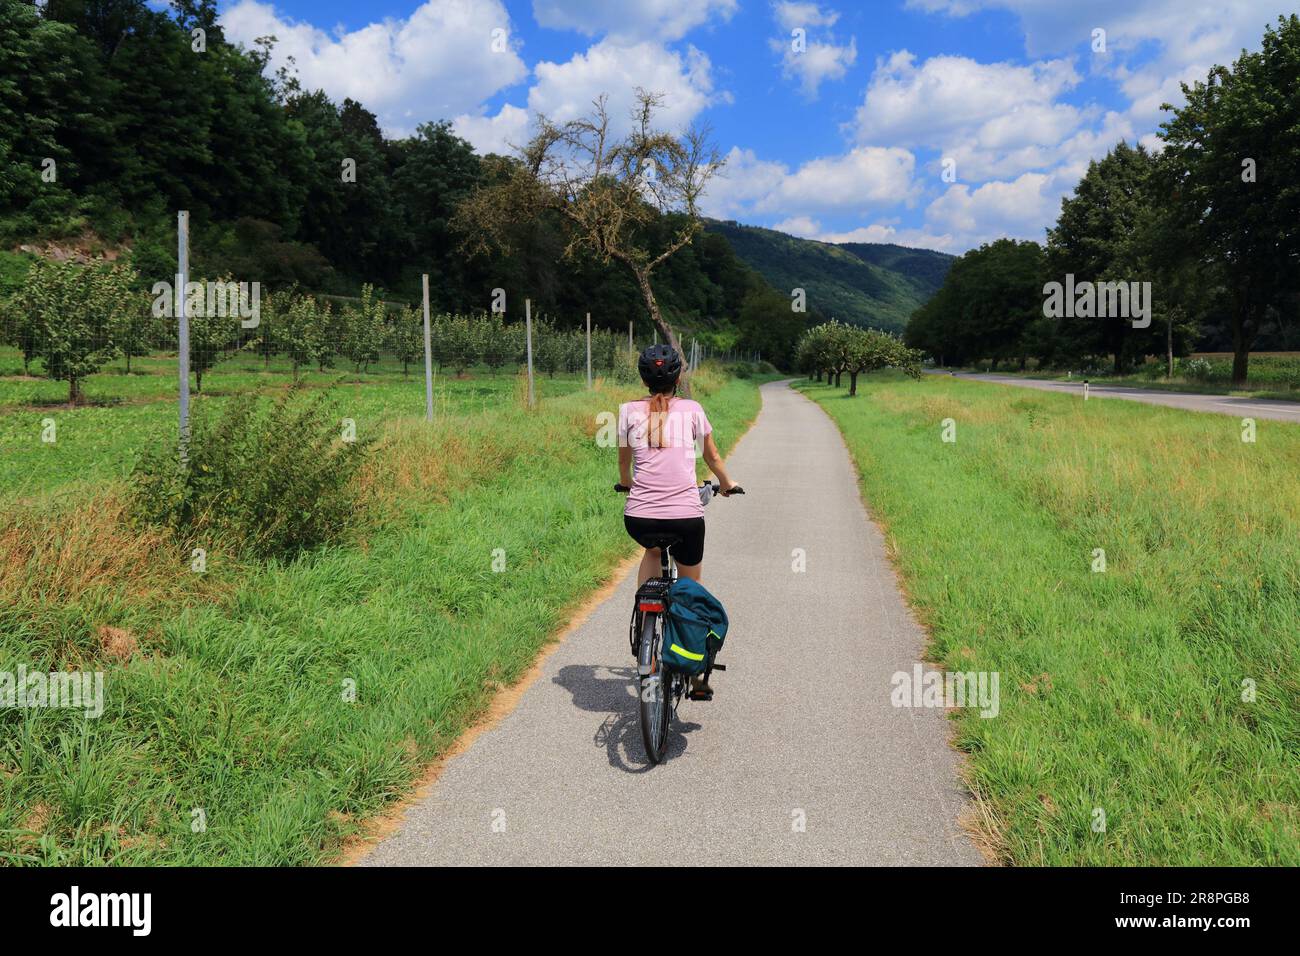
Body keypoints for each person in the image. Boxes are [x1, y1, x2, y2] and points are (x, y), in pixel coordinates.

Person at [617, 344, 739, 591]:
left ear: (643, 380)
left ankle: (644, 618)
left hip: (639, 519)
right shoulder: (692, 409)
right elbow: (712, 456)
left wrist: (626, 482)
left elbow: (623, 461)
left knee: (652, 552)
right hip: (686, 519)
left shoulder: (627, 411)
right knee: (690, 585)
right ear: (679, 378)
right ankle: (684, 618)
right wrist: (727, 483)